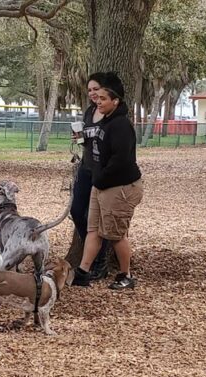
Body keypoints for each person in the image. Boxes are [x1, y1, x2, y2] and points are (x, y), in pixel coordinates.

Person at [72, 72, 143, 290]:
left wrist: (101, 177)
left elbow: (121, 160)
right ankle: (83, 272)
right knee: (94, 229)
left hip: (119, 186)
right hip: (100, 184)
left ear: (115, 101)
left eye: (103, 99)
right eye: (97, 98)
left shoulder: (121, 125)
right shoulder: (104, 121)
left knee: (115, 234)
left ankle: (125, 275)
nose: (98, 102)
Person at [70, 72, 111, 280]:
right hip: (86, 167)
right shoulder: (89, 112)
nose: (93, 93)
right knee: (77, 211)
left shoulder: (111, 114)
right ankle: (91, 250)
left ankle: (100, 260)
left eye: (96, 89)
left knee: (96, 218)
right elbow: (89, 140)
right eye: (90, 90)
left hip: (103, 172)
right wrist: (79, 138)